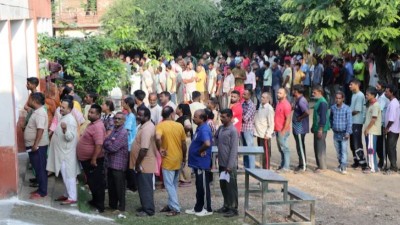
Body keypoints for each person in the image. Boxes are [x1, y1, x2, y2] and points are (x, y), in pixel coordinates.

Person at [46, 97, 80, 204]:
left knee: (68, 175)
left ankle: (72, 197)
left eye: (63, 108)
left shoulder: (70, 120)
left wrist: (65, 130)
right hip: (62, 153)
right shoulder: (64, 117)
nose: (61, 109)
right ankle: (66, 194)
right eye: (61, 106)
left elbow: (70, 137)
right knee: (65, 175)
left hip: (66, 154)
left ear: (70, 109)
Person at [156, 106, 187, 216]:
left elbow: (158, 137)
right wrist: (184, 157)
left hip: (168, 159)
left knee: (169, 185)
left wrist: (160, 148)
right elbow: (184, 144)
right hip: (178, 158)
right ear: (172, 114)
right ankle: (171, 205)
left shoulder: (160, 126)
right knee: (172, 184)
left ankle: (175, 208)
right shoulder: (179, 126)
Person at [76, 104, 106, 212]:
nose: (89, 114)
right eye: (89, 112)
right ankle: (95, 201)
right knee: (92, 182)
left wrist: (94, 159)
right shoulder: (92, 124)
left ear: (98, 115)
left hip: (94, 160)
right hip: (88, 159)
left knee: (96, 183)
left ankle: (99, 206)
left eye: (92, 113)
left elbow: (99, 144)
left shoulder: (98, 127)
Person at [185, 109, 213, 217]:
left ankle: (207, 208)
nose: (193, 118)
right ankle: (198, 207)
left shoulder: (204, 129)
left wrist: (200, 151)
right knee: (199, 186)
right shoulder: (199, 128)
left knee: (203, 187)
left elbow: (207, 143)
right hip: (197, 163)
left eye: (195, 117)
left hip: (202, 163)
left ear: (202, 119)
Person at [130, 108, 157, 217]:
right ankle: (145, 206)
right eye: (138, 114)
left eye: (140, 115)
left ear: (147, 116)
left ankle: (148, 210)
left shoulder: (147, 129)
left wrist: (137, 164)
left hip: (144, 163)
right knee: (142, 186)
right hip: (143, 163)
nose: (138, 117)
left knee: (145, 186)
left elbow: (144, 149)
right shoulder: (145, 126)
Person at [214, 109, 239, 217]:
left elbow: (234, 149)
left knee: (231, 187)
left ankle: (233, 208)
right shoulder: (221, 128)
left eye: (224, 117)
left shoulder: (233, 131)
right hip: (222, 163)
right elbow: (215, 138)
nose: (221, 118)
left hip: (229, 165)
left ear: (229, 117)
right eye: (221, 116)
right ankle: (226, 205)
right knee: (223, 185)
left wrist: (230, 165)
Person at [24, 92, 49, 199]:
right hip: (35, 145)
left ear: (34, 100)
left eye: (29, 99)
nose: (28, 101)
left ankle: (42, 192)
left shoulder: (40, 113)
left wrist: (35, 144)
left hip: (38, 146)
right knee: (38, 168)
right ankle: (40, 189)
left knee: (40, 169)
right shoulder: (37, 111)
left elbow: (40, 129)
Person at [103, 112, 129, 213]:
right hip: (110, 163)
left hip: (119, 165)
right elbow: (106, 141)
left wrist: (107, 144)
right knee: (111, 186)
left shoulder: (123, 132)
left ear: (123, 121)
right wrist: (108, 143)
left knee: (119, 187)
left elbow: (113, 147)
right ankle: (112, 205)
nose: (116, 120)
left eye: (119, 119)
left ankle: (121, 208)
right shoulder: (114, 130)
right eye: (115, 118)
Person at [330, 91, 352, 174]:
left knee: (344, 150)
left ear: (343, 99)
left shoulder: (347, 109)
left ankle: (343, 167)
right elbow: (331, 118)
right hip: (336, 133)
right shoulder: (333, 108)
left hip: (344, 133)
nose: (338, 100)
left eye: (340, 98)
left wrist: (348, 132)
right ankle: (340, 164)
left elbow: (349, 122)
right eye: (336, 98)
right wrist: (332, 126)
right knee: (338, 151)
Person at [349, 79, 367, 169]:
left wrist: (347, 113)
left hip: (357, 122)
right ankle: (356, 160)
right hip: (352, 121)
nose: (349, 86)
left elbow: (357, 110)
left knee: (357, 143)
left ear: (357, 85)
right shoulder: (353, 95)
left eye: (351, 84)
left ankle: (363, 163)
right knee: (352, 143)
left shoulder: (360, 95)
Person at [311, 85, 330, 173]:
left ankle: (322, 167)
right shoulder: (319, 101)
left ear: (320, 92)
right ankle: (319, 165)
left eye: (315, 92)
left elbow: (323, 117)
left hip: (321, 128)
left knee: (320, 147)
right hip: (317, 127)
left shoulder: (322, 102)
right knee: (317, 146)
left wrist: (320, 129)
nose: (313, 94)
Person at [254, 92, 274, 169]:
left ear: (268, 99)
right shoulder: (260, 106)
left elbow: (271, 123)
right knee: (261, 153)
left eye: (264, 97)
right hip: (259, 134)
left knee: (266, 154)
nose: (261, 98)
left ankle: (266, 169)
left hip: (264, 135)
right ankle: (262, 167)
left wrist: (268, 134)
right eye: (261, 97)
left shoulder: (269, 109)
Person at [292, 85, 309, 172]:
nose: (292, 91)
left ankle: (303, 166)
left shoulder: (301, 101)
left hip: (300, 127)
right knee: (299, 146)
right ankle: (301, 163)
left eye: (294, 90)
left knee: (300, 146)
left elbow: (307, 112)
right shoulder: (298, 100)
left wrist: (300, 118)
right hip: (297, 127)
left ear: (296, 91)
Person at [363, 87, 381, 173]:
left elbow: (374, 119)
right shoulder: (372, 104)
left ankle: (372, 167)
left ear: (373, 95)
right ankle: (371, 166)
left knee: (371, 149)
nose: (366, 96)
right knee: (370, 149)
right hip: (370, 131)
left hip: (372, 131)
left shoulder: (375, 105)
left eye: (368, 94)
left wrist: (367, 129)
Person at [384, 84, 400, 174]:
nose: (385, 93)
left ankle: (393, 167)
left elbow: (391, 119)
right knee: (391, 148)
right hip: (392, 129)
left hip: (392, 130)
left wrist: (387, 128)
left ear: (392, 93)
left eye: (387, 92)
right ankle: (393, 166)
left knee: (391, 148)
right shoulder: (392, 102)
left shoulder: (394, 103)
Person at [274, 88, 292, 173]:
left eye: (280, 93)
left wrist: (283, 130)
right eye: (278, 92)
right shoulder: (279, 103)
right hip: (278, 129)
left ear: (285, 95)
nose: (278, 94)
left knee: (285, 148)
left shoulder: (286, 105)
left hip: (282, 130)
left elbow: (288, 119)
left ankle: (286, 167)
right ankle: (283, 164)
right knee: (281, 148)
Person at [176, 104, 193, 187]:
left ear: (180, 109)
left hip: (185, 140)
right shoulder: (182, 118)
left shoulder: (185, 118)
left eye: (177, 108)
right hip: (183, 140)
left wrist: (182, 132)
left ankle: (186, 179)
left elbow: (188, 126)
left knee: (185, 159)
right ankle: (183, 179)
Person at [375, 81, 390, 169]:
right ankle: (381, 160)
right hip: (378, 123)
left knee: (381, 144)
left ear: (383, 88)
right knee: (378, 143)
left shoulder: (384, 98)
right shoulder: (378, 95)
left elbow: (378, 109)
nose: (376, 86)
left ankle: (383, 162)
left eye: (378, 85)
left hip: (382, 123)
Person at [241, 89, 256, 168]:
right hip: (242, 129)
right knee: (244, 148)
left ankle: (252, 167)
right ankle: (246, 166)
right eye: (243, 94)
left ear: (249, 96)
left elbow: (245, 118)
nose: (243, 95)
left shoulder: (251, 106)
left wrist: (239, 113)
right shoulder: (243, 104)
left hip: (248, 129)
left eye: (245, 94)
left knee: (249, 148)